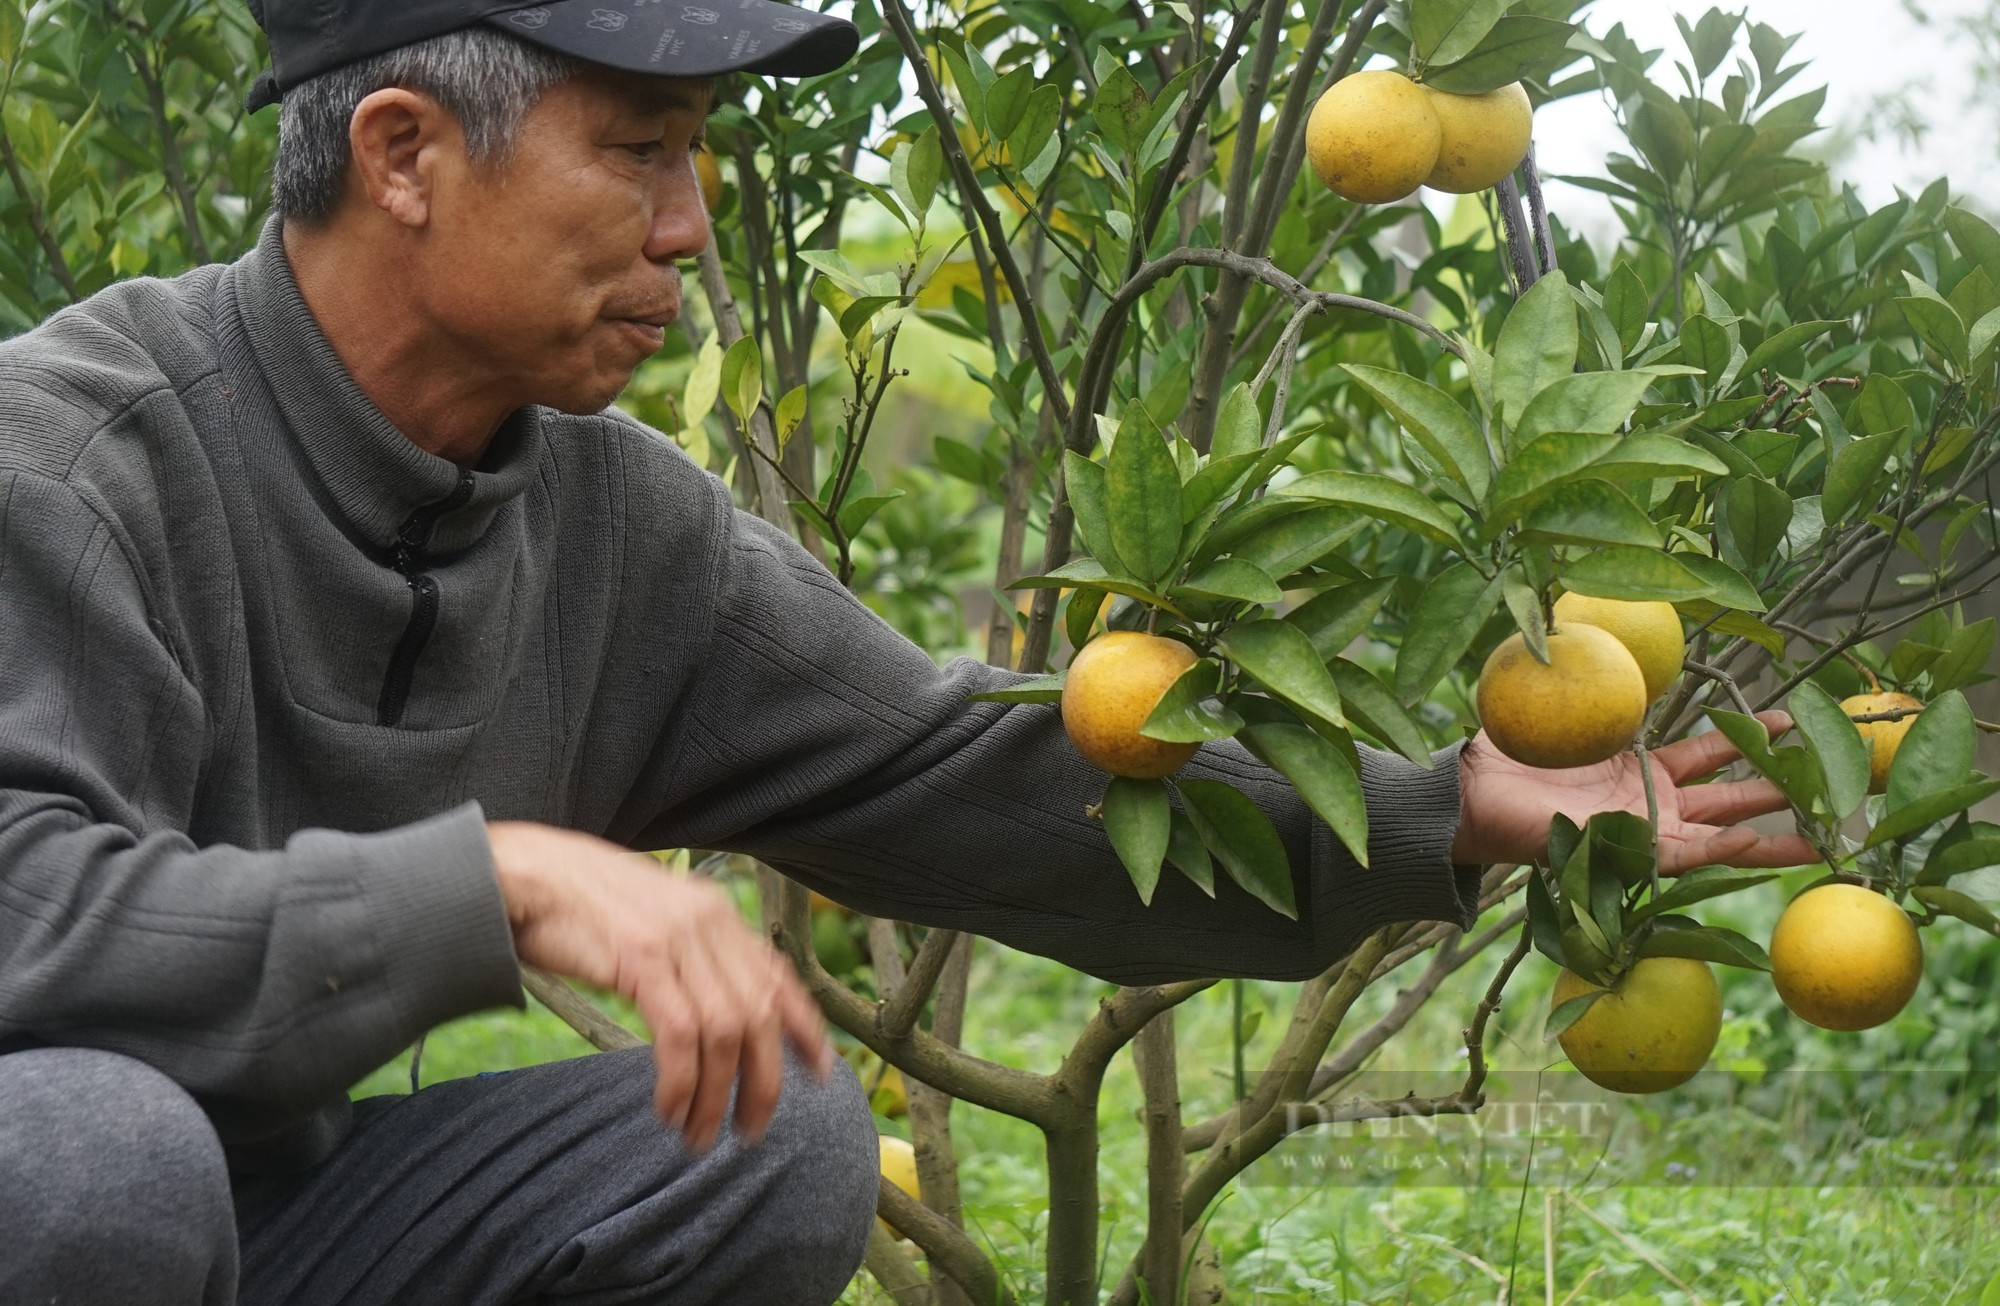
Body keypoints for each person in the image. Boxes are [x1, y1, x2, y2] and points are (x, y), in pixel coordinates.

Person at [0, 1, 1815, 1301]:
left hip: (274, 1224)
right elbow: (29, 917)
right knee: (94, 1160)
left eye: (697, 155)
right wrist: (491, 881)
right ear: (402, 154)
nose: (689, 226)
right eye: (637, 149)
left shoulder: (617, 533)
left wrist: (1453, 813)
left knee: (773, 1135)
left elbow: (968, 776)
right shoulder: (71, 461)